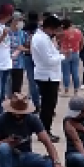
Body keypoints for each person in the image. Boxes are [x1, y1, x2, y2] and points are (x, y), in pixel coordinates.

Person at [31, 15, 63, 143]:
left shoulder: (45, 38)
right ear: (49, 28)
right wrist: (62, 56)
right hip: (47, 75)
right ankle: (44, 131)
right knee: (47, 106)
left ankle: (45, 130)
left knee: (49, 105)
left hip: (49, 75)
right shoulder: (41, 39)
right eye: (55, 30)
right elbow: (48, 60)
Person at [59, 18, 82, 95]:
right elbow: (82, 41)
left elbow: (58, 42)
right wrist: (79, 49)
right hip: (75, 52)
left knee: (66, 73)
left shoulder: (63, 33)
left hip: (65, 53)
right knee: (75, 72)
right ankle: (76, 90)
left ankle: (66, 90)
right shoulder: (78, 32)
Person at [8, 13, 27, 95]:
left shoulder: (23, 34)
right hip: (7, 64)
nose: (21, 23)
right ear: (13, 21)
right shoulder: (6, 32)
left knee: (17, 89)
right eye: (19, 20)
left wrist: (23, 49)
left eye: (22, 20)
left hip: (19, 65)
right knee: (7, 89)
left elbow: (29, 48)